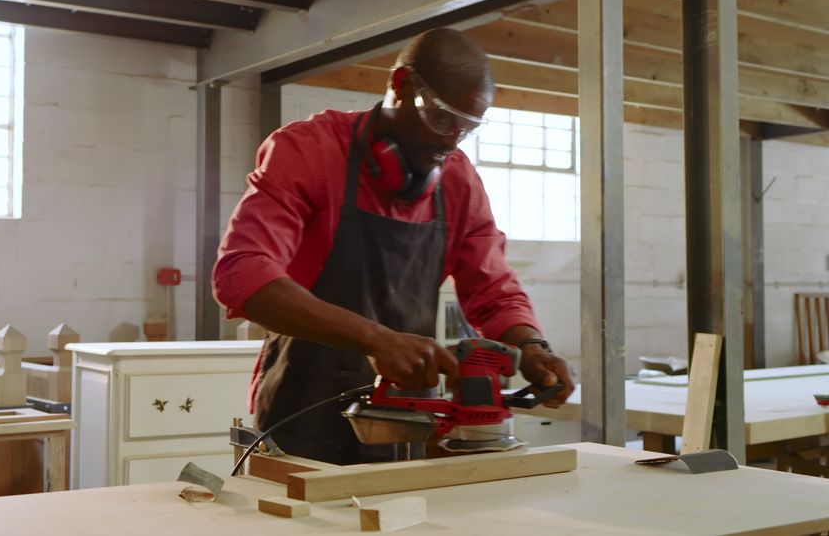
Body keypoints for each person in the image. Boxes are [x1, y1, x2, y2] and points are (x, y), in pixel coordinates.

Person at [212, 28, 574, 466]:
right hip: (302, 406)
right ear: (401, 85)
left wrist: (532, 345)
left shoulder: (459, 181)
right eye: (441, 119)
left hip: (409, 414)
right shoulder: (308, 151)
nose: (450, 140)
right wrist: (376, 339)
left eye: (466, 128)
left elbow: (492, 288)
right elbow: (242, 275)